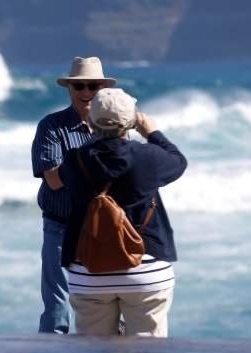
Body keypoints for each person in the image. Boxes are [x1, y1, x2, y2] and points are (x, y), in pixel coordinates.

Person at [59, 88, 187, 337]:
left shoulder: (74, 160)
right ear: (130, 121)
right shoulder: (149, 157)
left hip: (88, 273)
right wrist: (152, 132)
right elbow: (178, 161)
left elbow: (70, 176)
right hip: (146, 270)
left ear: (90, 120)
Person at [31, 56, 116, 334]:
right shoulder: (51, 126)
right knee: (58, 305)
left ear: (101, 89)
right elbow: (53, 180)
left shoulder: (113, 128)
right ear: (69, 89)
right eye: (79, 87)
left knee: (106, 303)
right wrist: (93, 163)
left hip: (101, 229)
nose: (86, 93)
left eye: (92, 86)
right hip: (60, 226)